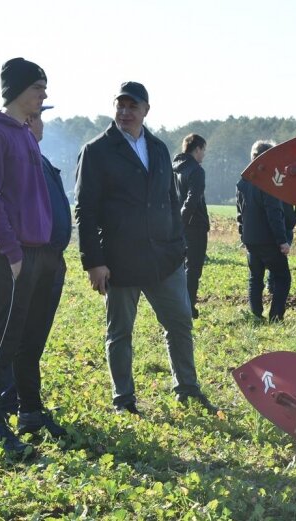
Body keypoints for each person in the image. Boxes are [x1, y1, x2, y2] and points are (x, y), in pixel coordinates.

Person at [75, 81, 217, 416]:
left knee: (180, 323)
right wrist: (93, 262)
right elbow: (85, 210)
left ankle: (187, 389)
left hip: (163, 259)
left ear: (146, 110)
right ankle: (123, 400)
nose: (125, 112)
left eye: (132, 106)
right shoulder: (96, 151)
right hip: (119, 261)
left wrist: (178, 243)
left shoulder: (157, 148)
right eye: (120, 105)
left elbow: (171, 198)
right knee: (120, 332)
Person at [0, 57, 66, 457]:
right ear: (17, 91)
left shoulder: (26, 135)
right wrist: (11, 252)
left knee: (31, 341)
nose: (43, 95)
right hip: (12, 254)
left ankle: (30, 412)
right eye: (38, 88)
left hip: (42, 253)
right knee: (2, 340)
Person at [0, 106, 72, 426]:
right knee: (20, 338)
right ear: (28, 121)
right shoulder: (18, 158)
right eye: (38, 115)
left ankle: (28, 405)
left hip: (51, 260)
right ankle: (14, 405)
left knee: (33, 340)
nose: (41, 122)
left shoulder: (38, 158)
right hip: (29, 258)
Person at [237, 140, 291, 322]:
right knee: (283, 277)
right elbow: (274, 214)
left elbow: (240, 212)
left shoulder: (243, 181)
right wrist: (282, 241)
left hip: (251, 239)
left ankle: (256, 314)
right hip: (268, 240)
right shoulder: (269, 182)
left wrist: (242, 234)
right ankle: (276, 317)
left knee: (255, 278)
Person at [173, 133, 209, 319]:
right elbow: (193, 199)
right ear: (197, 149)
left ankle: (180, 304)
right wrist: (184, 220)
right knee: (193, 268)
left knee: (179, 267)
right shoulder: (196, 170)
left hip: (178, 224)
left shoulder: (175, 168)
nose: (204, 155)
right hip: (194, 225)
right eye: (204, 150)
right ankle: (188, 307)